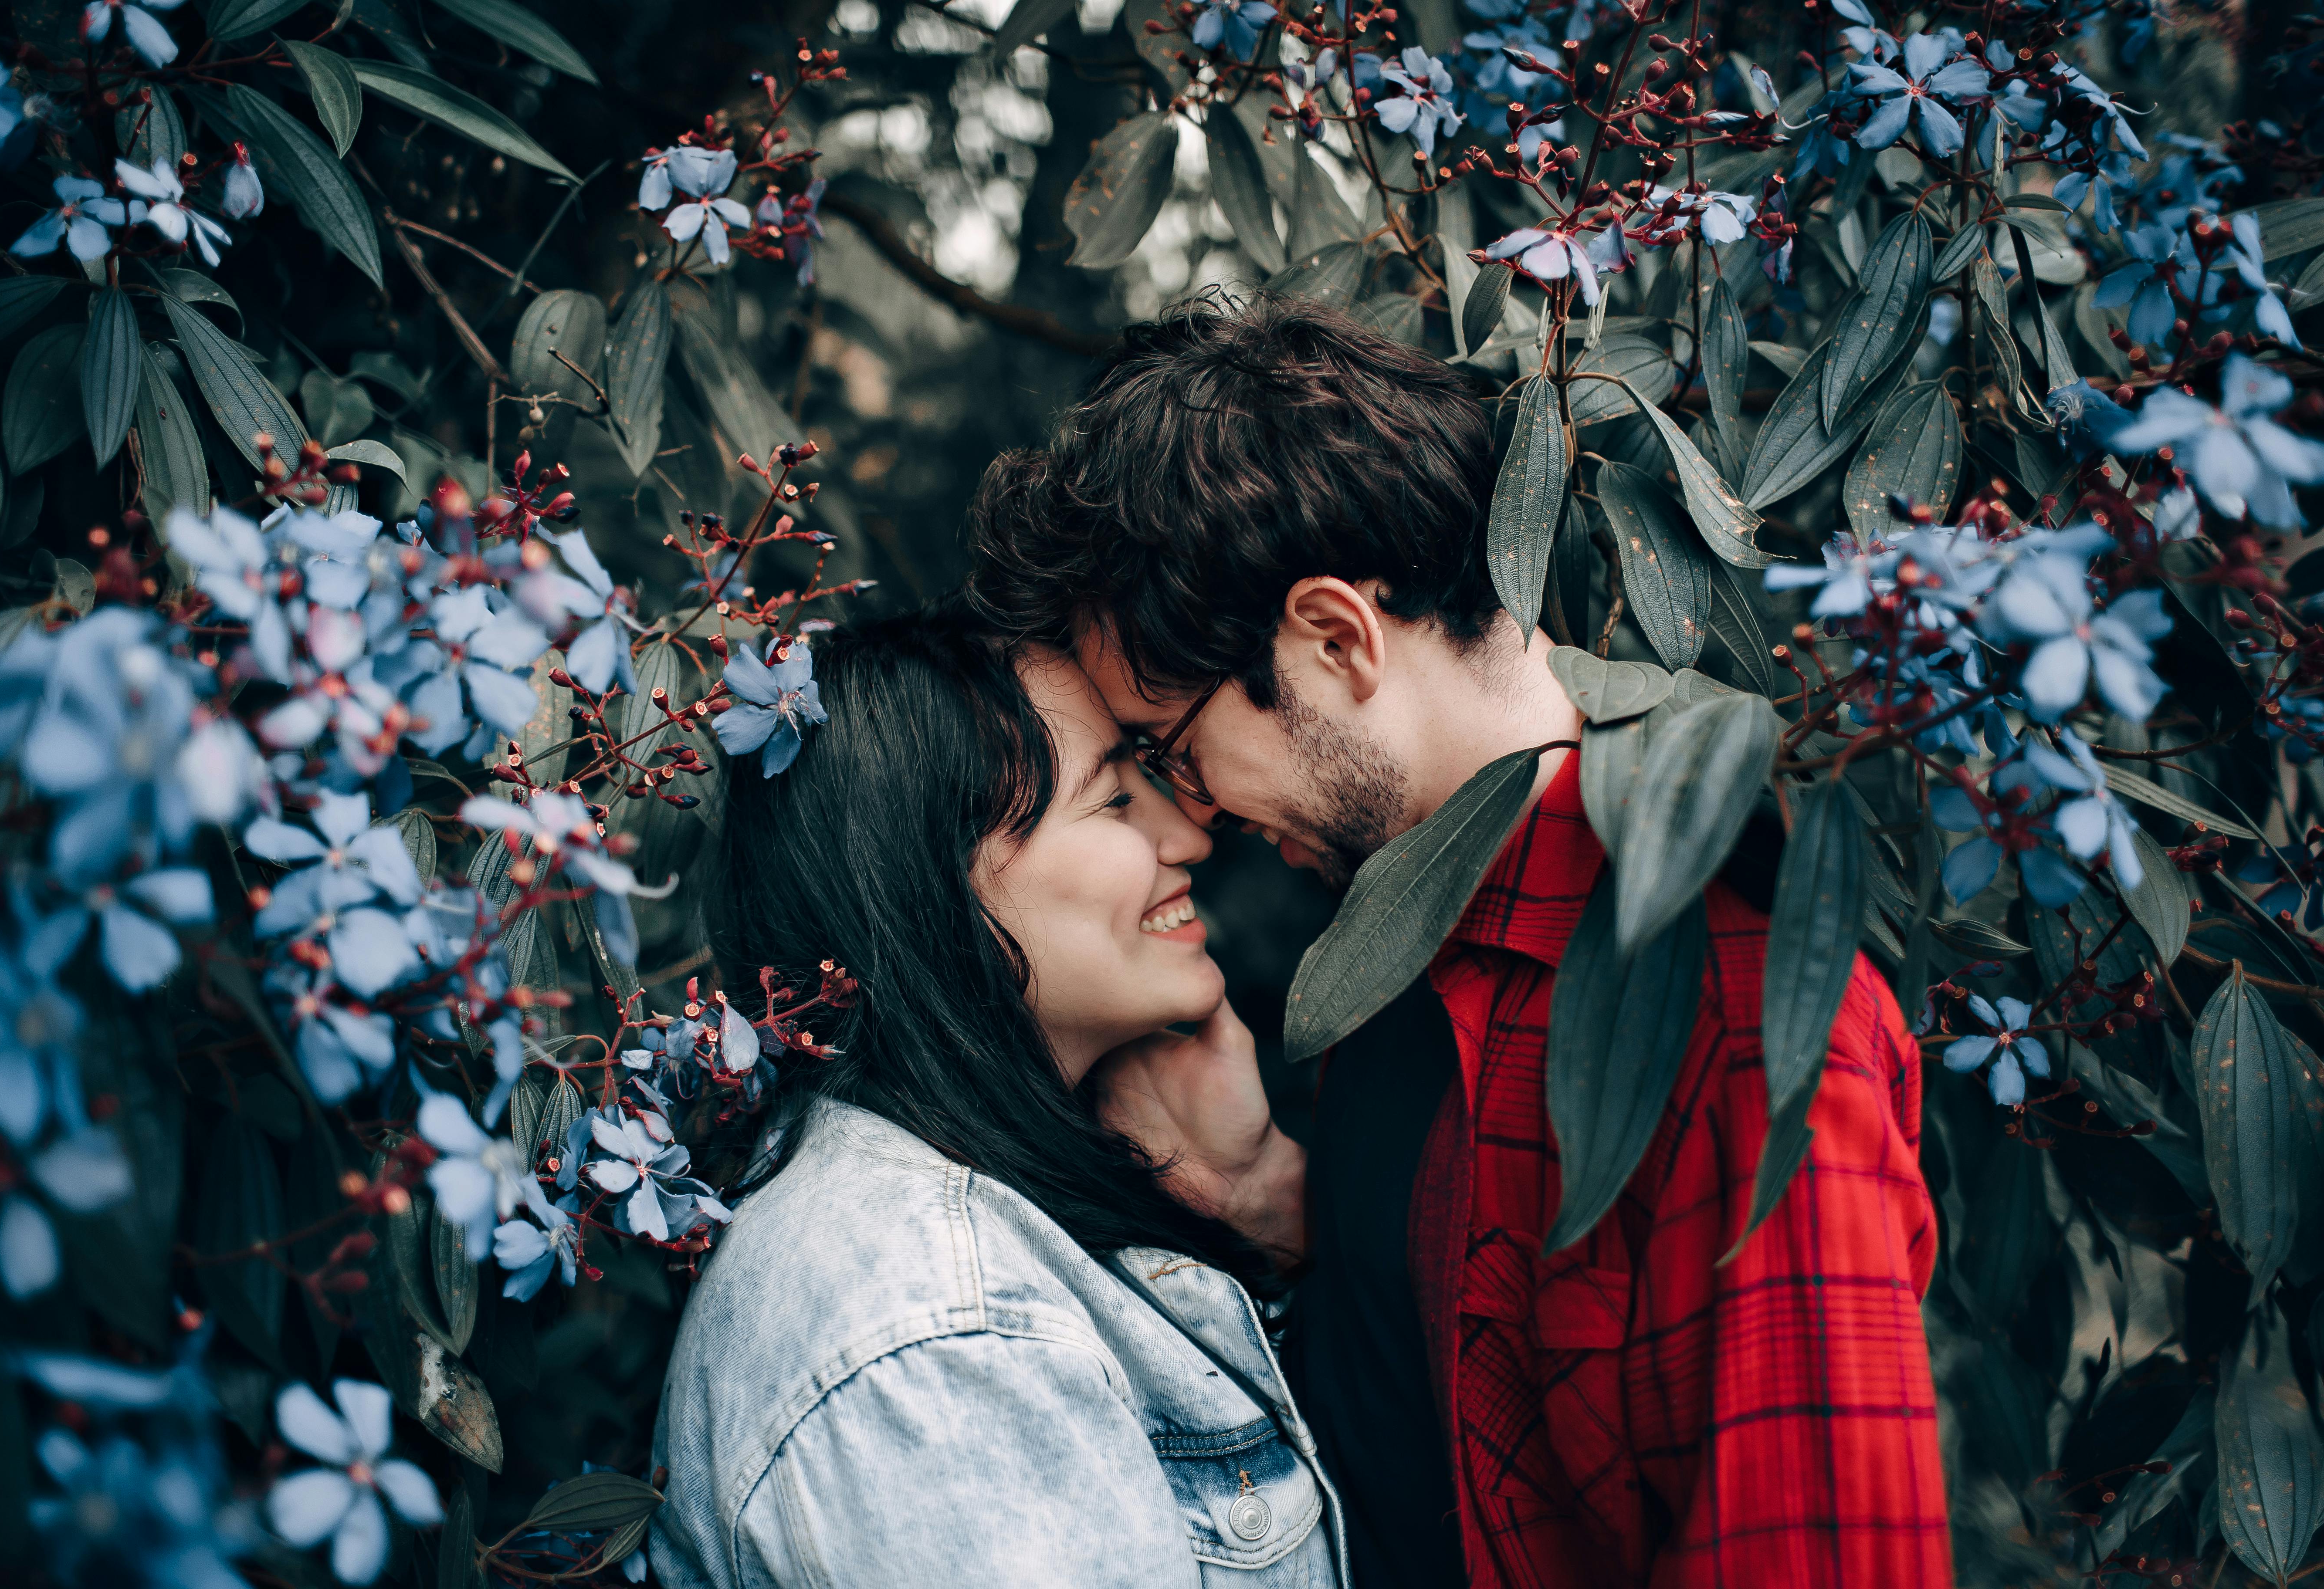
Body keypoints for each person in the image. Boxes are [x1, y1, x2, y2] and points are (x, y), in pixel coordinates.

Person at [968, 293, 1951, 1589]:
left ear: (1334, 639)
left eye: (1176, 748)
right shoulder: (1396, 955)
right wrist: (1275, 1199)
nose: (1193, 817)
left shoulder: (1735, 1009)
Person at [647, 605, 1345, 1589]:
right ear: (936, 883)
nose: (1189, 834)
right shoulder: (934, 1338)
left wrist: (1256, 1202)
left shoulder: (973, 1229)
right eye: (1113, 802)